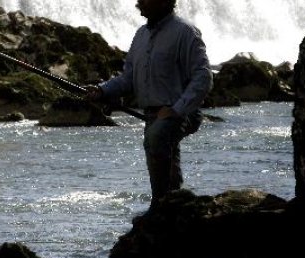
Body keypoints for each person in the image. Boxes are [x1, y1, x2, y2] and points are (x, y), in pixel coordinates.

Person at [86, 0, 213, 213]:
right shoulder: (140, 36)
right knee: (163, 154)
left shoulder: (185, 32)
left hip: (182, 111)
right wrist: (102, 90)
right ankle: (173, 203)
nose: (138, 3)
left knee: (156, 139)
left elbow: (203, 76)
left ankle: (159, 207)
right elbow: (128, 78)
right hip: (153, 113)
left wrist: (176, 109)